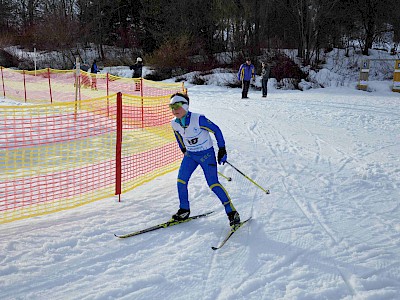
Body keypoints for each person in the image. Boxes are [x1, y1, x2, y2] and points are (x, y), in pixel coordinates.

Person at [169, 92, 241, 228]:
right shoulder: (174, 123)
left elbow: (217, 130)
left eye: (177, 106)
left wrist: (222, 149)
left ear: (186, 106)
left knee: (213, 184)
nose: (174, 110)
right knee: (181, 181)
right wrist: (184, 150)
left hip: (206, 155)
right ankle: (184, 210)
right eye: (171, 107)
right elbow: (178, 137)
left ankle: (232, 212)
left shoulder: (199, 119)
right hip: (190, 156)